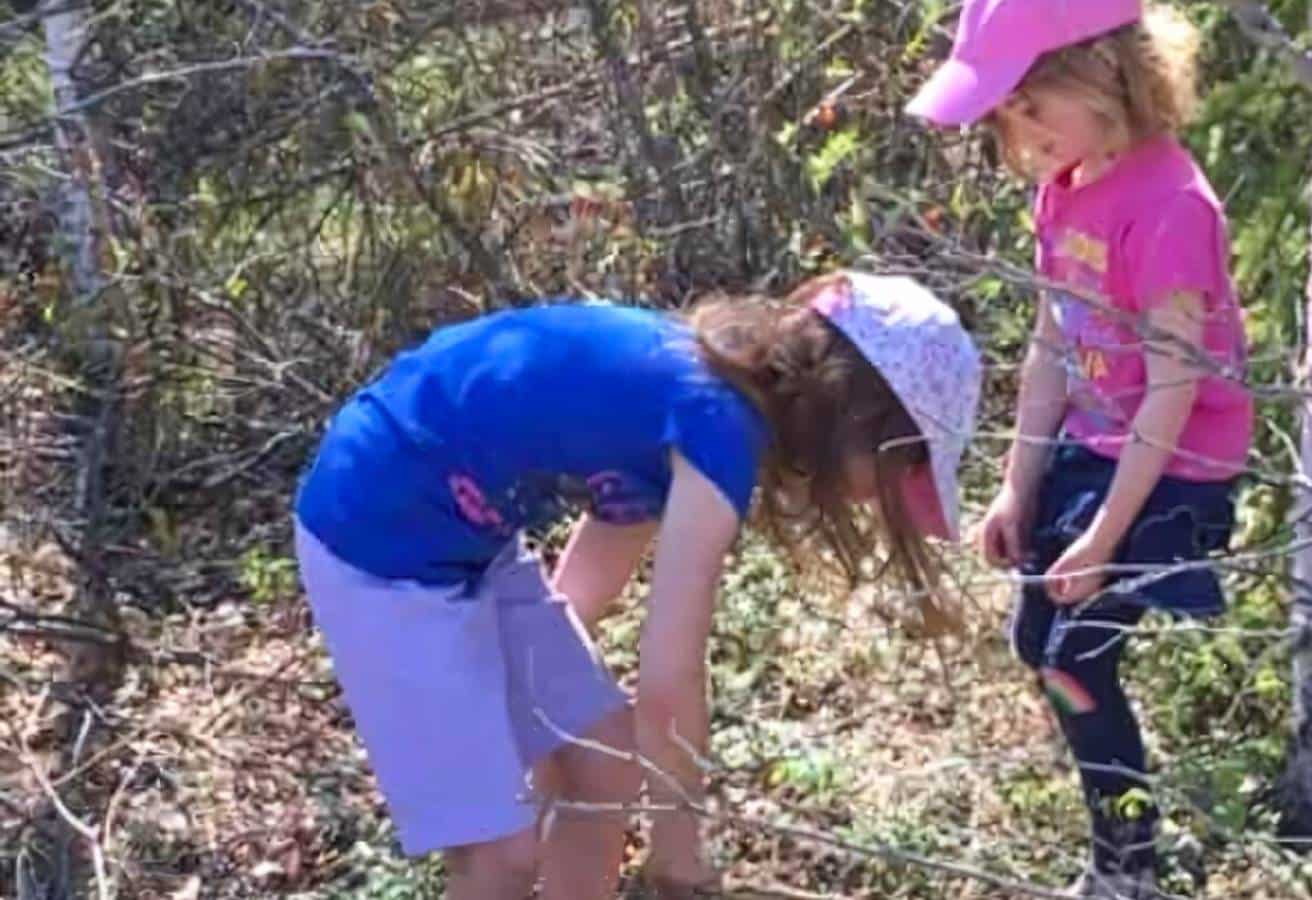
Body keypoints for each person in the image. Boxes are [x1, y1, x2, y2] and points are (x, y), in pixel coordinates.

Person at [292, 270, 981, 899]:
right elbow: (669, 676)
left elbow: (586, 591)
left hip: (471, 548)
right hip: (377, 534)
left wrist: (534, 727)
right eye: (903, 468)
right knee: (500, 853)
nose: (880, 497)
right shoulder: (715, 426)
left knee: (602, 770)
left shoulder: (680, 411)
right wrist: (679, 847)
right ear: (857, 419)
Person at [906, 1, 1253, 895]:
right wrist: (1017, 488)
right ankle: (1114, 788)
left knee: (1076, 654)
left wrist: (1103, 537)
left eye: (1029, 105)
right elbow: (1052, 345)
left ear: (1103, 73)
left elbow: (1174, 391)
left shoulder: (1173, 206)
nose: (1017, 133)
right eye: (1004, 114)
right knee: (1038, 638)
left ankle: (1128, 868)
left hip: (1172, 468)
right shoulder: (1063, 186)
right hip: (1092, 444)